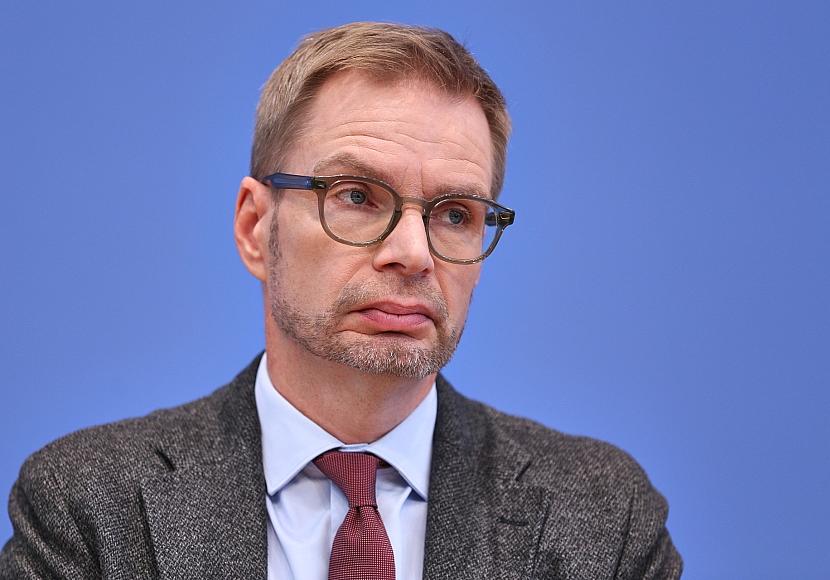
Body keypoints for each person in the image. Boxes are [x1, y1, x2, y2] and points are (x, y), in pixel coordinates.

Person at [0, 22, 682, 580]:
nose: (413, 253)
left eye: (455, 214)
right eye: (357, 196)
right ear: (255, 228)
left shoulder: (602, 517)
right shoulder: (90, 505)